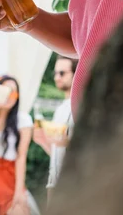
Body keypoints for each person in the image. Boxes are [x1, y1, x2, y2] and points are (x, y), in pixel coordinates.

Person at [0, 75, 32, 215]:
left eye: (13, 92)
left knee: (18, 210)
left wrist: (19, 191)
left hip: (10, 176)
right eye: (5, 91)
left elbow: (21, 156)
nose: (10, 96)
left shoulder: (23, 120)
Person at [33, 56, 76, 200]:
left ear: (75, 73)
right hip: (53, 183)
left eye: (62, 73)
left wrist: (66, 143)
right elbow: (57, 154)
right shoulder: (60, 110)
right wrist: (43, 141)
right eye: (55, 73)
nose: (57, 77)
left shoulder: (81, 106)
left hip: (73, 183)